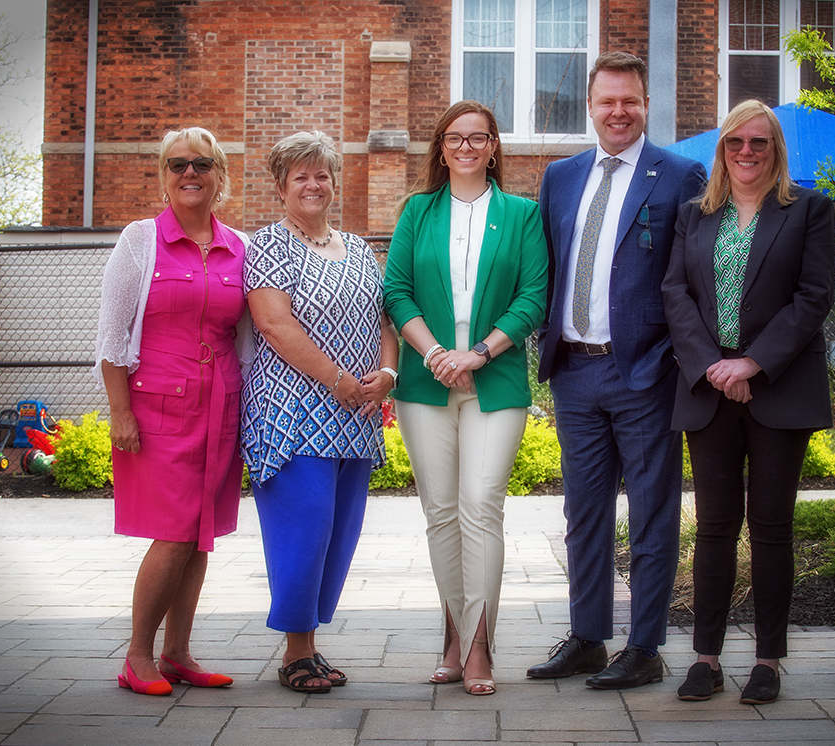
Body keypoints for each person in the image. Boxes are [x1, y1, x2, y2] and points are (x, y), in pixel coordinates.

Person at [529, 51, 706, 690]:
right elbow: (546, 265)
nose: (619, 112)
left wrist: (674, 358)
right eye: (607, 101)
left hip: (647, 374)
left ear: (645, 104)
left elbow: (694, 277)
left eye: (629, 100)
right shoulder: (560, 176)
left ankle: (647, 646)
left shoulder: (681, 176)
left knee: (653, 513)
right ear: (591, 105)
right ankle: (587, 638)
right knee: (584, 512)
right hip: (575, 372)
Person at [662, 100, 835, 705]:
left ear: (775, 150)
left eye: (758, 143)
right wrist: (714, 364)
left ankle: (768, 661)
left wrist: (752, 362)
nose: (745, 153)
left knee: (770, 527)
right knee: (712, 528)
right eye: (735, 143)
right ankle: (705, 659)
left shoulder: (808, 210)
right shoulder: (695, 215)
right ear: (722, 150)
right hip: (710, 390)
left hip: (778, 388)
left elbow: (813, 297)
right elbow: (675, 293)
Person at [383, 101, 548, 696]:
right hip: (427, 383)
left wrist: (477, 352)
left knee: (482, 505)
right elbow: (396, 291)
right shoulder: (418, 211)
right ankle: (453, 636)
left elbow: (532, 297)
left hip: (494, 381)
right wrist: (434, 354)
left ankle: (480, 645)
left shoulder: (522, 214)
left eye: (479, 138)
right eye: (455, 138)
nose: (467, 147)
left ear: (495, 146)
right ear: (442, 146)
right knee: (441, 513)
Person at [240, 130, 398, 694]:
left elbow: (384, 321)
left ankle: (308, 642)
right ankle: (295, 653)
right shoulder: (268, 246)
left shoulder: (359, 249)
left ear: (335, 182)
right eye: (300, 176)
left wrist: (387, 375)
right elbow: (274, 324)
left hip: (354, 416)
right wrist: (338, 380)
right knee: (304, 530)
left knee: (339, 534)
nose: (313, 184)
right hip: (290, 414)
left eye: (321, 174)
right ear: (282, 187)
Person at [95, 126, 249, 696]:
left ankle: (178, 652)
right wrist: (119, 413)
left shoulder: (240, 247)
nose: (190, 173)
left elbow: (250, 337)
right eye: (177, 164)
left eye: (201, 164)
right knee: (175, 532)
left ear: (219, 176)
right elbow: (111, 336)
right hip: (158, 406)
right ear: (164, 177)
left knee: (202, 532)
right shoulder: (141, 241)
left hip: (222, 406)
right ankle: (138, 655)